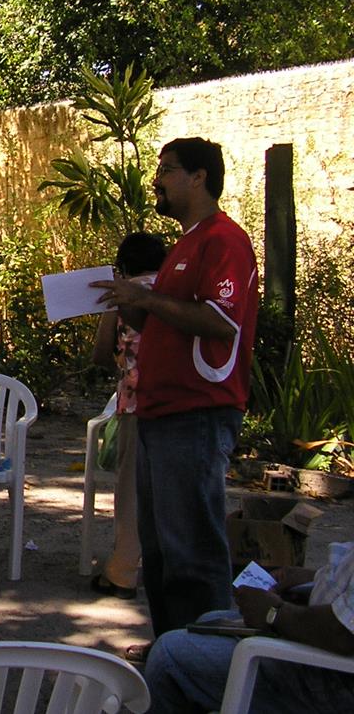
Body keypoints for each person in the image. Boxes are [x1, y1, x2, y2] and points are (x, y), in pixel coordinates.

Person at [93, 137, 259, 660]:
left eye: (166, 170)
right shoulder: (182, 246)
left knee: (193, 549)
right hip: (158, 412)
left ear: (199, 177)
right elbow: (162, 323)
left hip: (198, 411)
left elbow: (220, 321)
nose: (157, 180)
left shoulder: (224, 240)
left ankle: (207, 665)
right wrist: (128, 303)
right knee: (162, 549)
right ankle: (171, 653)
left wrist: (147, 297)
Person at [145, 544, 354, 713]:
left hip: (332, 680)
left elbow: (343, 633)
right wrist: (315, 580)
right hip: (329, 653)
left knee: (167, 656)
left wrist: (274, 613)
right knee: (209, 621)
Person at [88, 232, 167, 600]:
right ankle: (164, 568)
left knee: (131, 490)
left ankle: (122, 572)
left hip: (136, 402)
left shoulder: (124, 293)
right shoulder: (171, 291)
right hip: (178, 402)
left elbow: (100, 354)